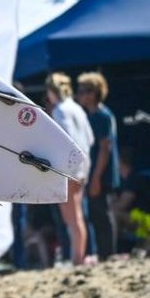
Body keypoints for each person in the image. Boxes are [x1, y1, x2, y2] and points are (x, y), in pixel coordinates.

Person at [45, 72, 94, 266]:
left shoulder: (60, 111)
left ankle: (77, 258)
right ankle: (79, 256)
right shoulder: (78, 109)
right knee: (78, 216)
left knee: (71, 219)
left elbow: (66, 139)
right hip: (83, 167)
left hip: (69, 169)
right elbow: (89, 138)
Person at [76, 72, 120, 260]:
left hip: (101, 174)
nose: (80, 95)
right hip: (96, 173)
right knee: (96, 215)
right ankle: (103, 254)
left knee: (102, 215)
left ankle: (108, 254)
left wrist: (96, 179)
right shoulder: (94, 115)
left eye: (84, 91)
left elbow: (105, 149)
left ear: (93, 93)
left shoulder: (102, 116)